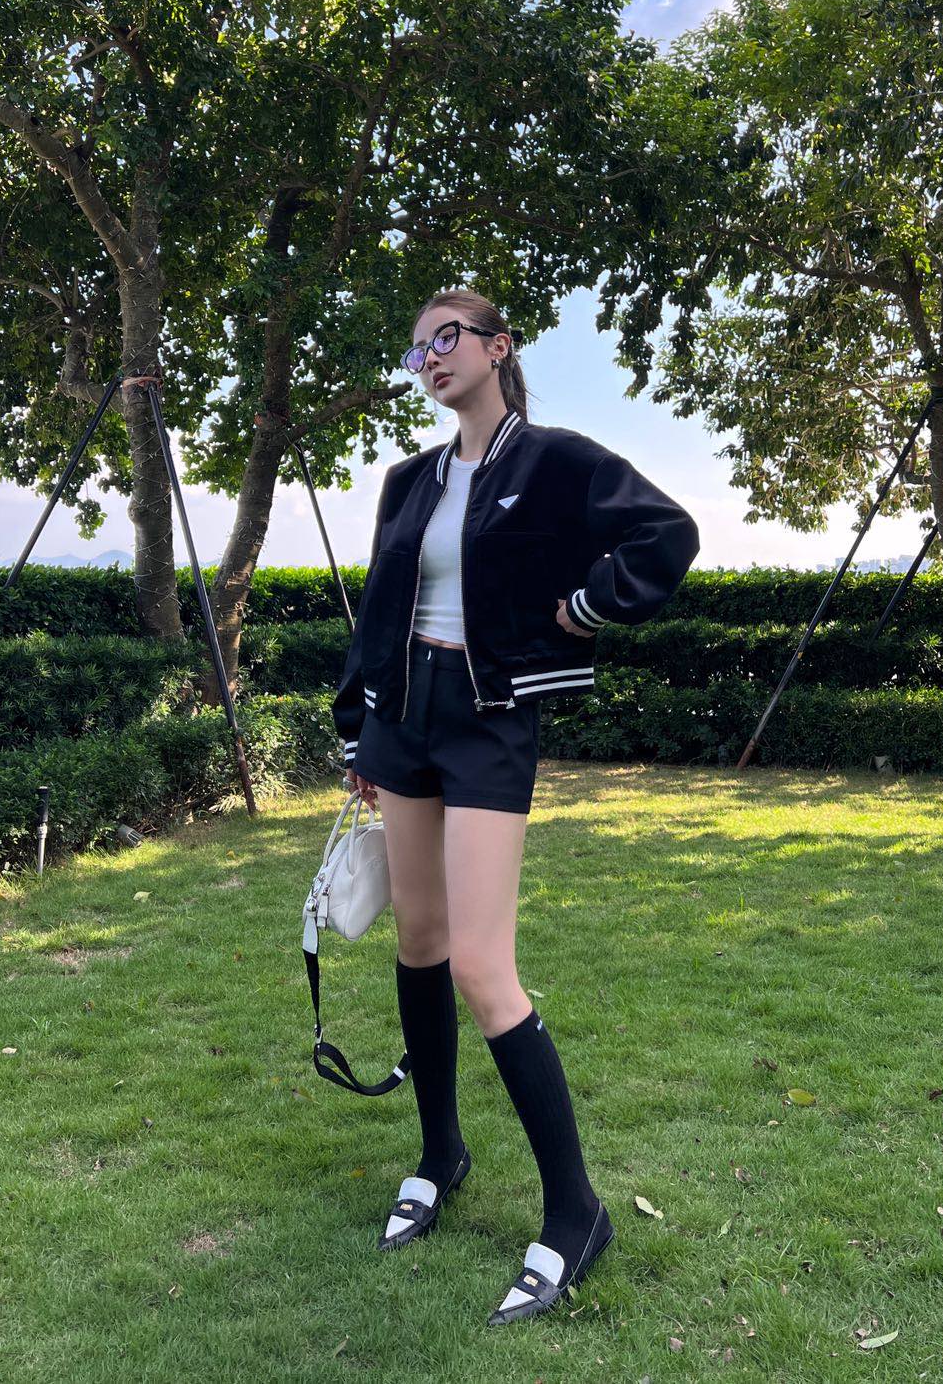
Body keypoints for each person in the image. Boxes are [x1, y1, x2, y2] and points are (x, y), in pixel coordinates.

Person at [331, 287, 699, 1327]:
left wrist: (586, 608)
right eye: (416, 349)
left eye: (445, 337)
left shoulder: (552, 460)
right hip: (405, 718)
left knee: (484, 968)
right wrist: (357, 727)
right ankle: (439, 1152)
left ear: (498, 347)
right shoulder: (409, 479)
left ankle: (576, 1212)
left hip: (490, 721)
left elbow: (666, 534)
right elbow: (382, 608)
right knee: (418, 940)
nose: (429, 359)